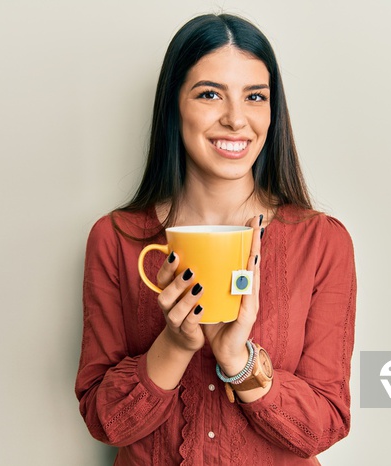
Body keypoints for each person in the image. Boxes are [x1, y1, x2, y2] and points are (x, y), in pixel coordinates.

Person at [75, 13, 356, 465]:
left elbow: (324, 425)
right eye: (210, 94)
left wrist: (239, 361)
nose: (235, 119)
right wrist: (175, 344)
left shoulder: (322, 243)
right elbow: (105, 422)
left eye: (255, 97)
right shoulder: (116, 239)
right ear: (174, 106)